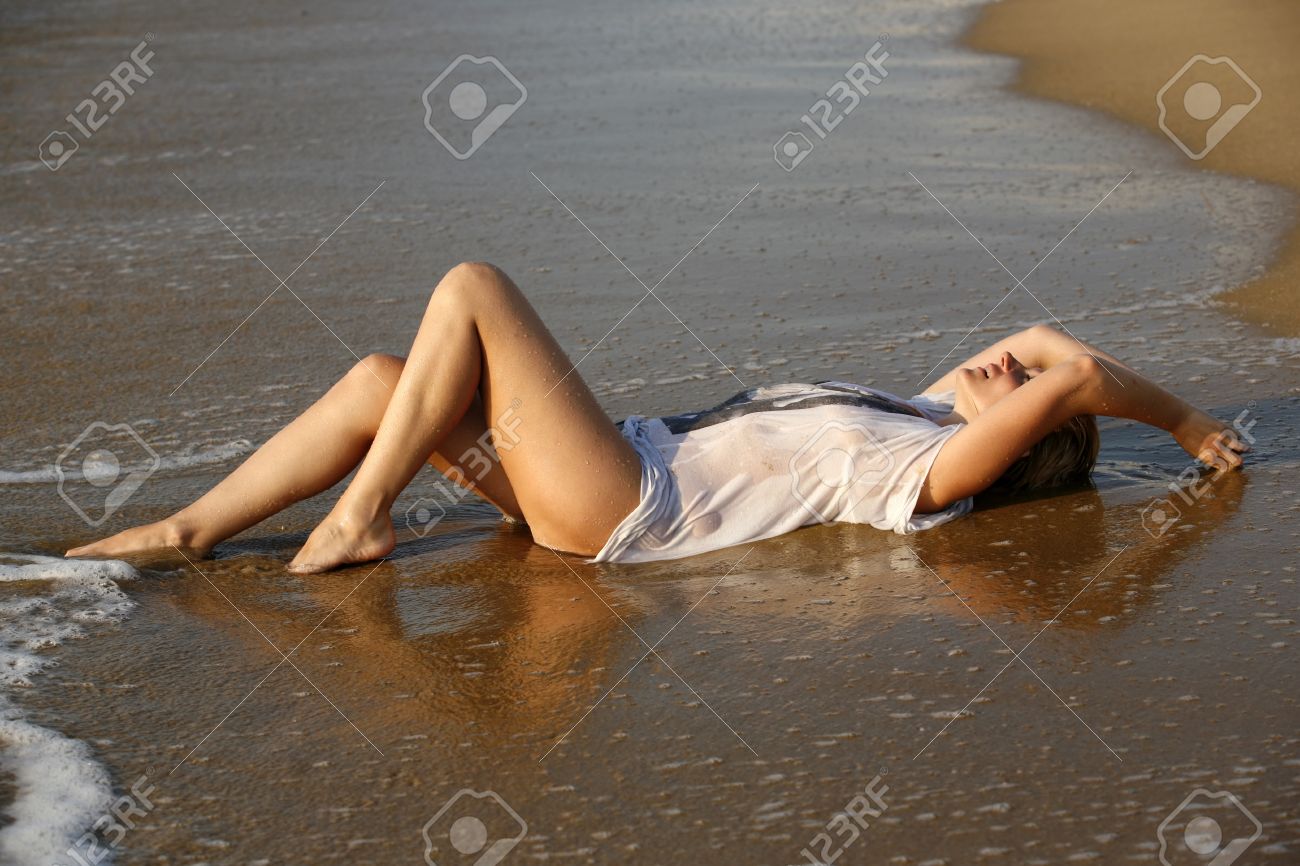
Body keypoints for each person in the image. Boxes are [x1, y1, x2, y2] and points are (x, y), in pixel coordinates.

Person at [66, 262, 1248, 571]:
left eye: (1011, 384)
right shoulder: (919, 410)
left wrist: (1191, 428)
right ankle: (186, 531)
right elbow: (1047, 339)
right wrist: (1023, 366)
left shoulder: (931, 472)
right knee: (389, 377)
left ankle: (360, 514)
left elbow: (1077, 372)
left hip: (626, 505)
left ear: (1027, 441)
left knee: (472, 287)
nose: (1000, 360)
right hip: (611, 466)